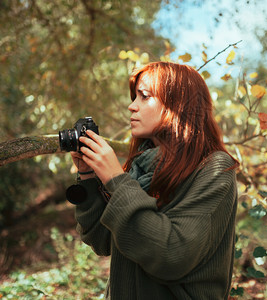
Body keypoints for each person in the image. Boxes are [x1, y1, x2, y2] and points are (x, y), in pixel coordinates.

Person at [70, 61, 239, 299]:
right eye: (134, 97)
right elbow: (101, 239)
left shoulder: (214, 169)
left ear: (177, 105)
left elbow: (172, 254)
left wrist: (116, 178)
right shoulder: (141, 167)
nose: (132, 106)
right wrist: (88, 175)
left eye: (144, 96)